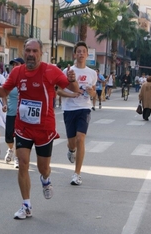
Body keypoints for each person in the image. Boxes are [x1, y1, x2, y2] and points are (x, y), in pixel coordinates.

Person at [0, 38, 80, 219]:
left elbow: (73, 89)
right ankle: (26, 205)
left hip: (44, 128)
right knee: (22, 163)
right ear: (24, 52)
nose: (31, 54)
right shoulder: (17, 72)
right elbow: (3, 93)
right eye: (28, 51)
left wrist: (73, 80)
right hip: (23, 125)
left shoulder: (50, 70)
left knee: (43, 168)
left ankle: (46, 180)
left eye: (34, 51)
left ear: (40, 53)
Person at [57, 41, 97, 185]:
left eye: (83, 51)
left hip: (84, 109)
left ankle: (77, 174)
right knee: (72, 142)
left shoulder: (92, 73)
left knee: (81, 138)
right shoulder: (66, 72)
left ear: (87, 54)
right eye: (78, 51)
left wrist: (91, 92)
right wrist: (72, 95)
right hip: (69, 109)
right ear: (75, 54)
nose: (81, 54)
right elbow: (59, 91)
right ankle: (71, 149)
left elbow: (94, 95)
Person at [3, 57, 25, 168]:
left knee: (19, 137)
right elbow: (4, 93)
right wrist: (4, 104)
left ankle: (17, 158)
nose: (14, 66)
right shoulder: (9, 79)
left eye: (17, 64)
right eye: (13, 64)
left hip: (22, 114)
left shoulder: (26, 79)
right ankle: (10, 149)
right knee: (8, 136)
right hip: (11, 111)